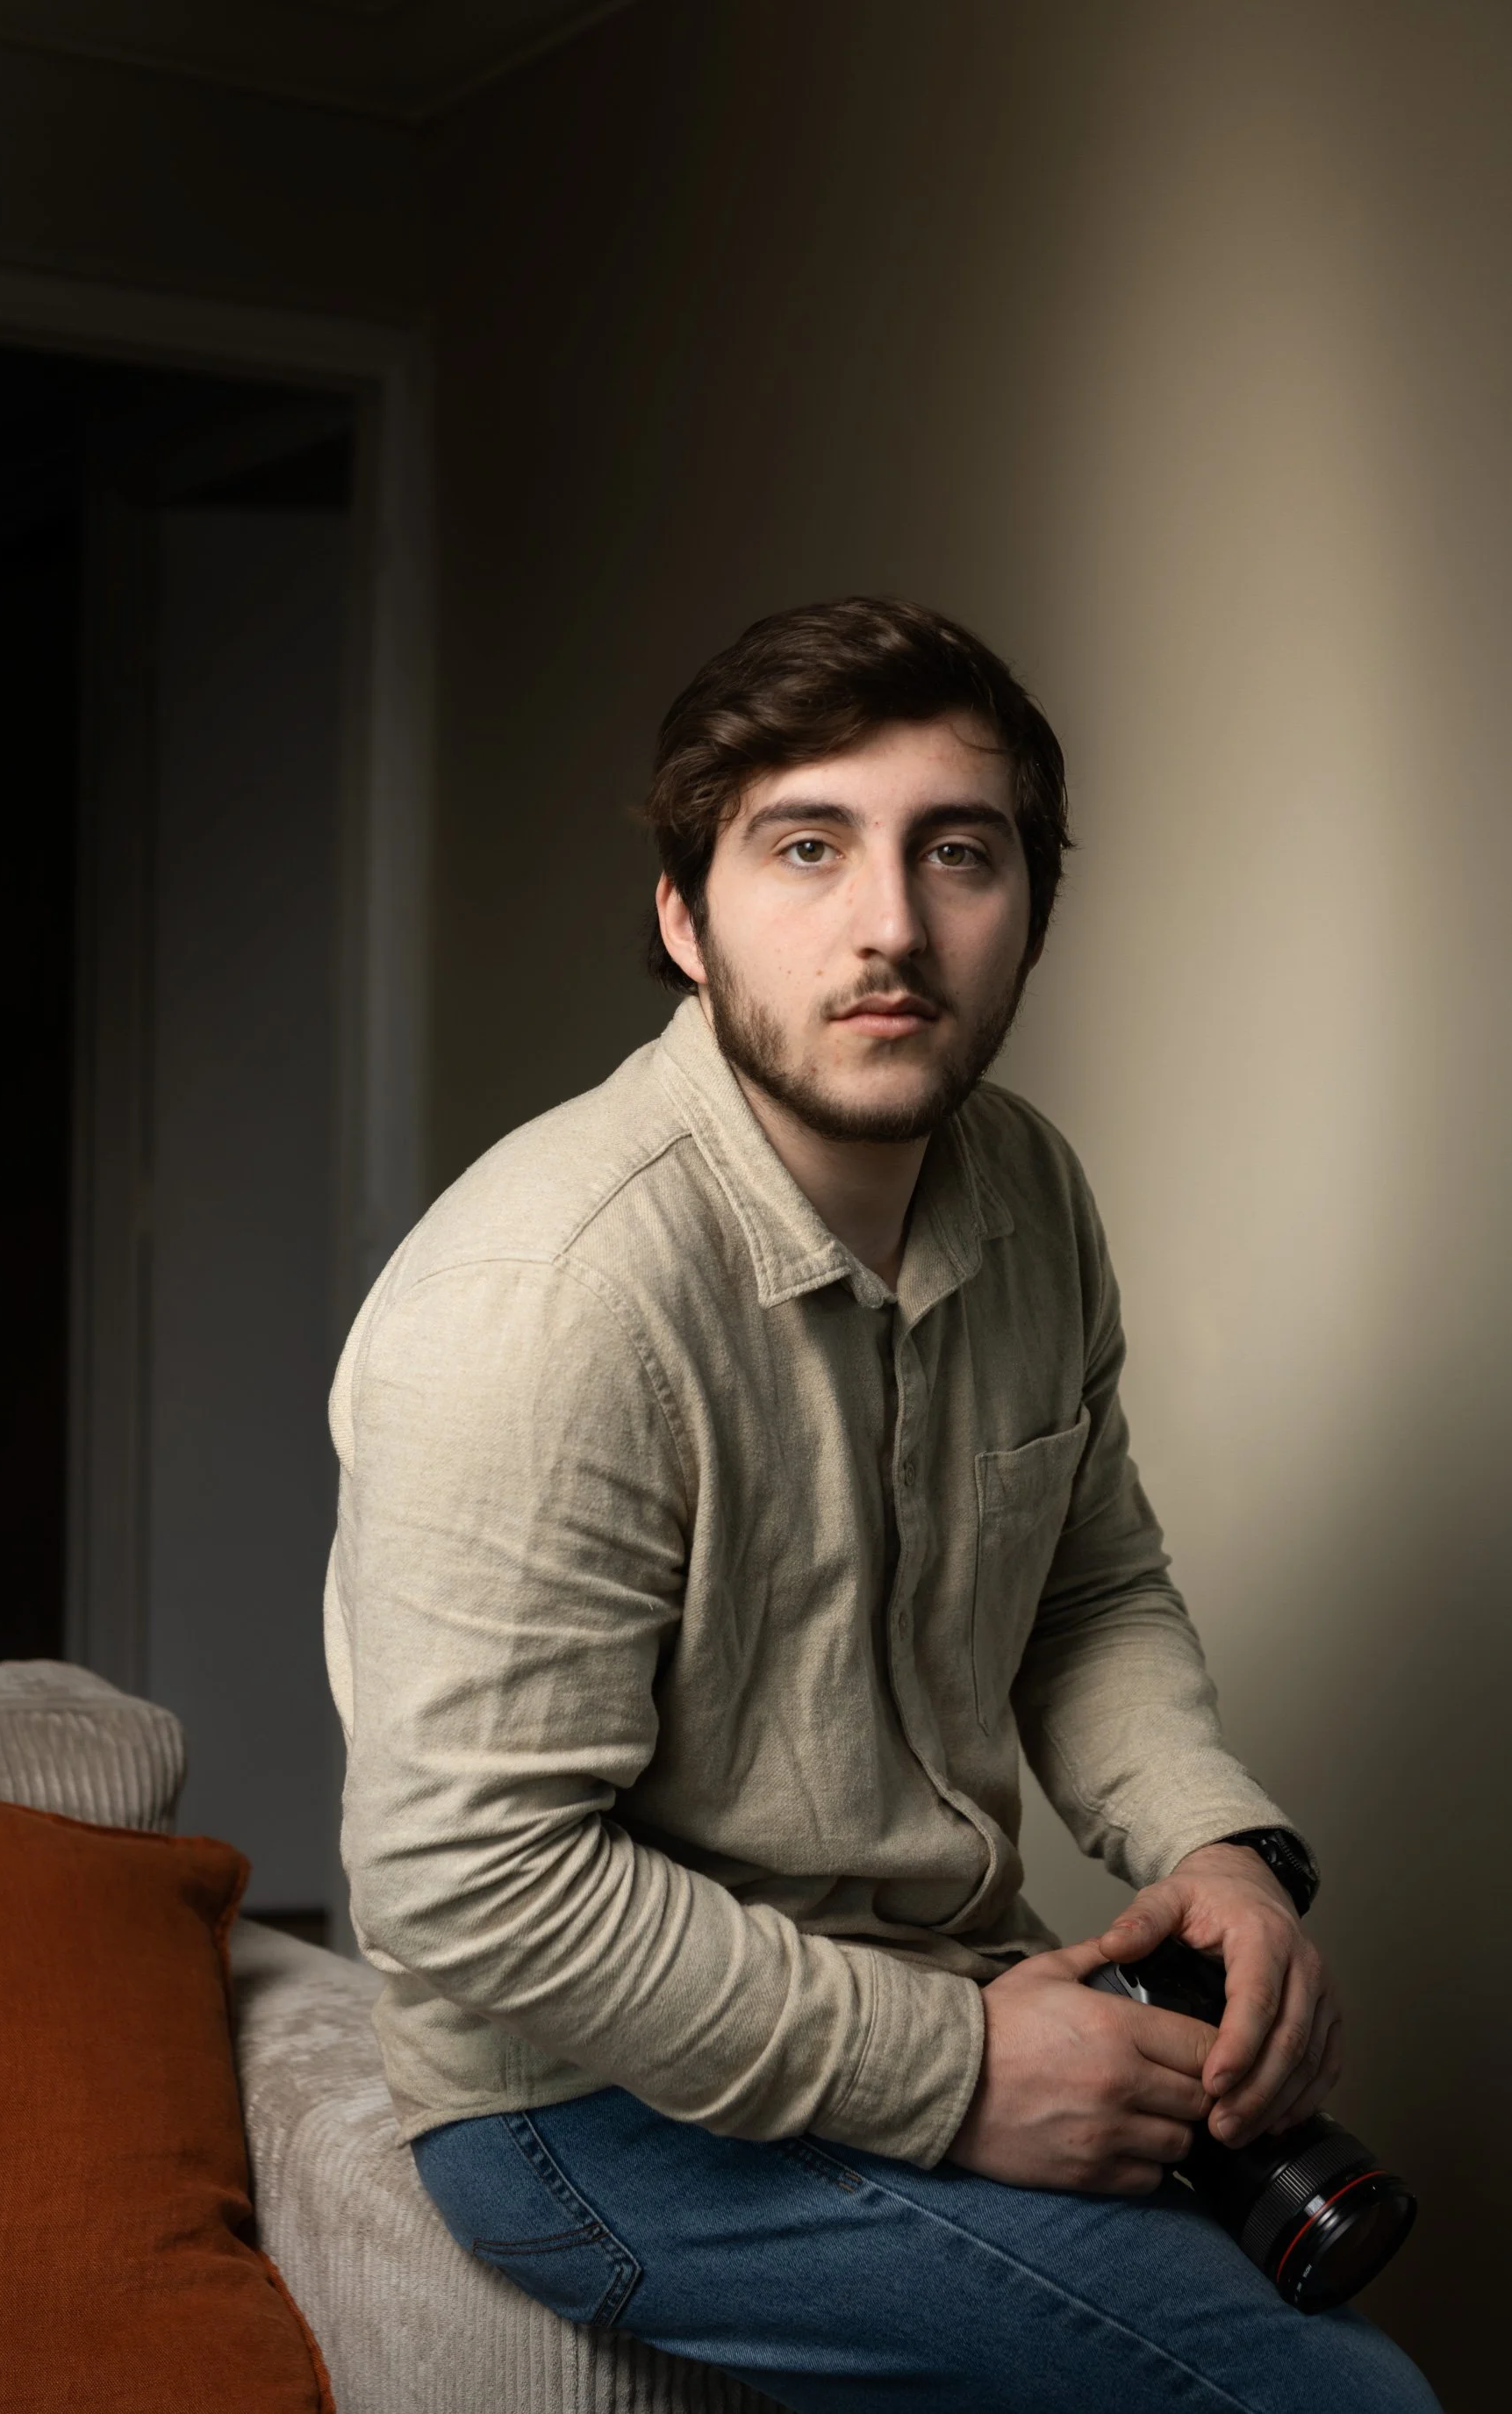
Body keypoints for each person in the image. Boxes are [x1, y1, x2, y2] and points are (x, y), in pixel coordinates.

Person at [325, 598, 1437, 2412]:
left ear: (1031, 918)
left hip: (926, 1969)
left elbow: (1087, 1587)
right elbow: (471, 1881)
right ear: (684, 921)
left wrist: (1211, 1847)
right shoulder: (543, 1296)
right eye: (806, 847)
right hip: (588, 2103)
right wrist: (959, 2068)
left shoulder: (1024, 1187)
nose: (891, 925)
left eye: (959, 853)